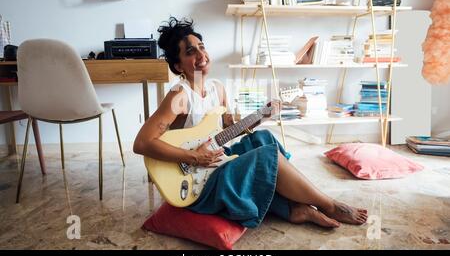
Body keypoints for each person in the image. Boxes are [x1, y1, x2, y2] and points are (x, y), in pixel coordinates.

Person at [133, 17, 368, 229]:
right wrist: (194, 157)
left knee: (263, 140)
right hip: (197, 179)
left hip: (216, 161)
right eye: (190, 52)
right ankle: (329, 205)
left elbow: (226, 131)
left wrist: (261, 115)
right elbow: (142, 143)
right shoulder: (179, 96)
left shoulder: (217, 89)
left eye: (202, 48)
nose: (201, 56)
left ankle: (295, 208)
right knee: (268, 156)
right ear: (178, 65)